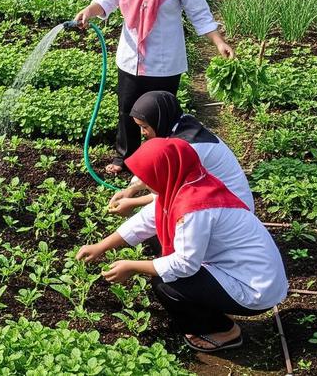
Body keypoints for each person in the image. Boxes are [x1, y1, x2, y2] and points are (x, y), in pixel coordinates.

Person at [77, 138, 287, 354]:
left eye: (148, 176)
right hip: (248, 271)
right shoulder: (189, 183)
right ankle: (216, 309)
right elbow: (145, 221)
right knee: (165, 267)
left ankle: (225, 331)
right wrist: (101, 246)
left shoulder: (194, 208)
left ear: (163, 172)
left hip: (256, 287)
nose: (146, 184)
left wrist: (132, 266)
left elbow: (184, 264)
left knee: (167, 284)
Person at [72, 0, 234, 175]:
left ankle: (159, 162)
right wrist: (89, 11)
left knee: (160, 116)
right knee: (127, 109)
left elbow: (199, 13)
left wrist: (219, 42)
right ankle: (125, 157)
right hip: (130, 58)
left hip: (164, 62)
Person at [109, 91, 253, 217]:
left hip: (233, 207)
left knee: (165, 215)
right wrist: (131, 190)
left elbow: (171, 195)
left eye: (144, 127)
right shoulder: (181, 123)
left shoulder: (187, 148)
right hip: (222, 199)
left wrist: (132, 203)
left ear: (159, 120)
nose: (142, 133)